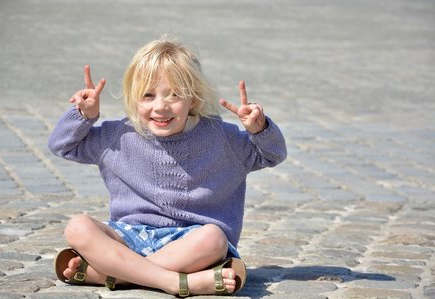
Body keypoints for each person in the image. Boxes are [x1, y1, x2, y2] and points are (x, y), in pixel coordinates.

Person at [48, 36, 287, 297]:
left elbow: (273, 155)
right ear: (133, 98)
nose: (160, 106)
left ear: (193, 100)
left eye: (174, 95)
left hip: (190, 242)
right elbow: (62, 145)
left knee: (215, 238)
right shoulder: (116, 136)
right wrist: (84, 116)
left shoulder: (221, 138)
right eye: (148, 95)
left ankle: (112, 275)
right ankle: (175, 282)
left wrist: (259, 129)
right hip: (129, 237)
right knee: (77, 226)